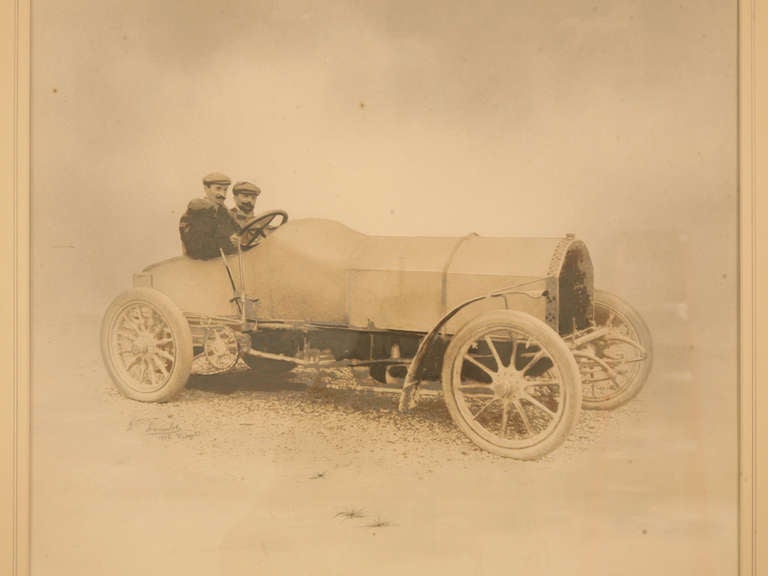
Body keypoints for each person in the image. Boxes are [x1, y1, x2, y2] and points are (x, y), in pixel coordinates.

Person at [179, 172, 241, 259]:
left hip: (226, 265)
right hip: (202, 268)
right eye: (218, 189)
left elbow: (239, 234)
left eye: (225, 189)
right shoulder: (196, 213)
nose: (222, 194)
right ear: (206, 189)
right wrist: (228, 242)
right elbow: (197, 248)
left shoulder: (225, 214)